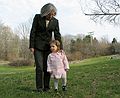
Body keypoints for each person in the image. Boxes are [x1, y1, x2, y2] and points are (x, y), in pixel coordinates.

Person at [29, 3, 63, 92]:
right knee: (39, 67)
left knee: (47, 68)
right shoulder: (37, 17)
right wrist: (31, 46)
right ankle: (39, 88)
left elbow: (57, 35)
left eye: (53, 14)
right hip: (37, 47)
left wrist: (60, 48)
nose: (51, 16)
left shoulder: (55, 21)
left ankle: (46, 87)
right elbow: (33, 31)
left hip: (49, 47)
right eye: (49, 14)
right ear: (45, 12)